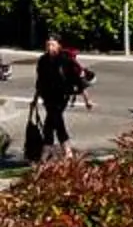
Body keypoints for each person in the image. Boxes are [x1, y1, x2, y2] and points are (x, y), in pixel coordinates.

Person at [34, 32, 91, 162]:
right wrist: (35, 99)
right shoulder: (42, 60)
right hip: (47, 96)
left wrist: (87, 100)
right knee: (55, 121)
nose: (50, 48)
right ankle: (67, 151)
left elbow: (78, 81)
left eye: (52, 45)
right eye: (47, 45)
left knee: (52, 121)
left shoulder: (65, 60)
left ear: (59, 45)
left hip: (62, 96)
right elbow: (39, 81)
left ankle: (46, 151)